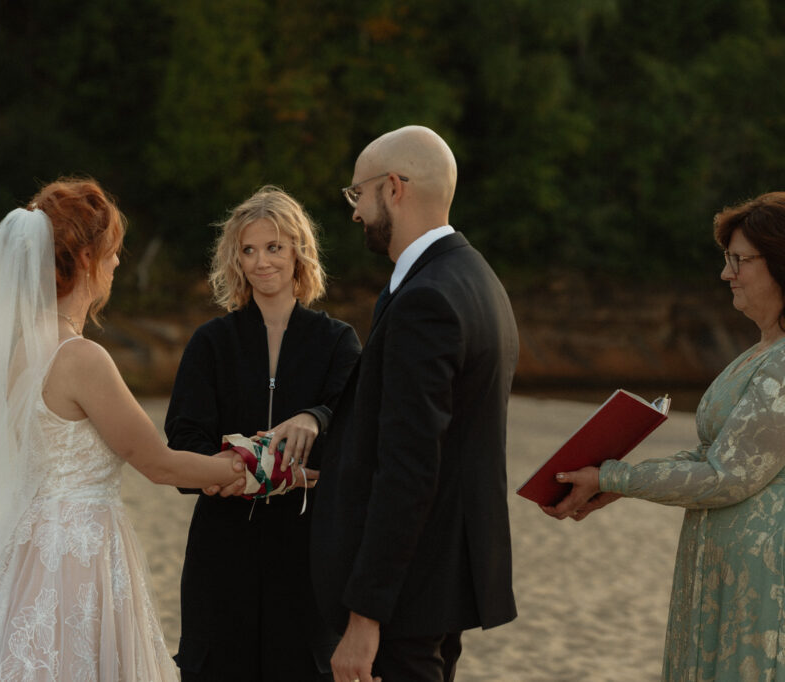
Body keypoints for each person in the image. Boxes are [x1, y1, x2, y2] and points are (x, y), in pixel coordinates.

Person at [0, 177, 245, 682]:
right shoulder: (81, 358)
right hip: (79, 557)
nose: (118, 263)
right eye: (113, 251)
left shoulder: (19, 353)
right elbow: (158, 463)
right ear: (86, 259)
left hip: (28, 552)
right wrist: (249, 468)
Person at [545, 192, 785, 680]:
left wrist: (618, 476)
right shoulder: (759, 352)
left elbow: (727, 477)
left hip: (762, 583)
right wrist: (612, 483)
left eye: (739, 260)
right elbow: (709, 456)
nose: (726, 273)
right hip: (726, 571)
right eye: (727, 260)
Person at [309, 125, 520, 682]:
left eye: (358, 194)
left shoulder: (425, 298)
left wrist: (365, 616)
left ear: (394, 188)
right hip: (438, 586)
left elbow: (409, 466)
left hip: (405, 596)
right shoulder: (477, 279)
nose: (354, 212)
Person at [164, 185, 362, 681]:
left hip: (309, 555)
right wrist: (258, 469)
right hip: (221, 554)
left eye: (274, 247)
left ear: (298, 252)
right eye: (248, 250)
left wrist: (314, 415)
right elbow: (183, 444)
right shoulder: (211, 343)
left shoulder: (337, 340)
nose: (261, 262)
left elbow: (357, 430)